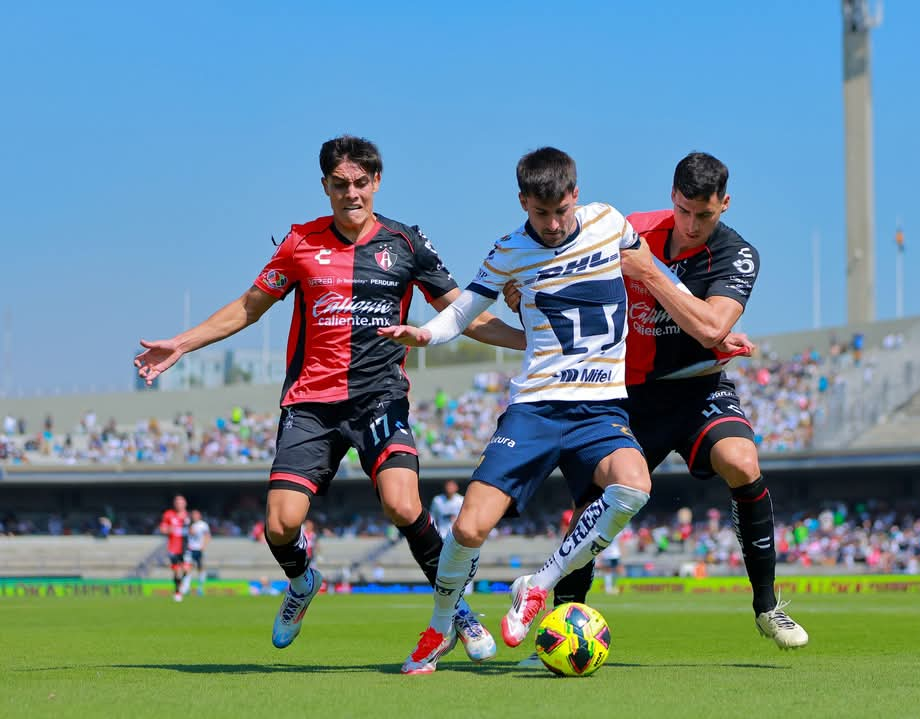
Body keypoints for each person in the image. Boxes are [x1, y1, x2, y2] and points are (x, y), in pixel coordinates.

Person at [134, 135, 524, 655]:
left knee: (402, 504)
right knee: (280, 523)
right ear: (324, 187)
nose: (352, 194)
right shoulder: (300, 242)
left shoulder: (406, 244)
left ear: (376, 182)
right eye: (340, 184)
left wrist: (533, 342)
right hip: (311, 404)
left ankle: (453, 608)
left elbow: (461, 313)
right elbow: (248, 307)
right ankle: (301, 583)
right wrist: (181, 344)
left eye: (361, 183)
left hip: (379, 398)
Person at [508, 152, 807, 659]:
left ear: (725, 205)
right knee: (596, 500)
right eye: (685, 211)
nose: (692, 226)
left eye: (706, 216)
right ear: (673, 197)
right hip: (626, 396)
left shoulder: (737, 254)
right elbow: (558, 263)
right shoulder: (631, 228)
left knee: (742, 461)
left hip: (698, 388)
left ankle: (766, 605)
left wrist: (650, 272)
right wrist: (525, 291)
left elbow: (712, 327)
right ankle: (562, 614)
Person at [380, 147, 655, 674]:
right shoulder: (508, 251)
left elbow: (656, 269)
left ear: (575, 194)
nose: (552, 224)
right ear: (523, 201)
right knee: (467, 529)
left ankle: (539, 584)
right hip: (534, 407)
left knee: (635, 485)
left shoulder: (609, 222)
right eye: (540, 213)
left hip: (599, 408)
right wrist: (426, 334)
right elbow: (462, 313)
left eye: (560, 211)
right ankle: (440, 627)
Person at [158, 495, 190, 602]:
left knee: (186, 569)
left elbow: (195, 530)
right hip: (173, 547)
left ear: (185, 503)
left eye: (181, 502)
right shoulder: (168, 514)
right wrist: (168, 530)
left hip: (186, 547)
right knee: (177, 571)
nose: (179, 504)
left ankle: (183, 585)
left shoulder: (188, 516)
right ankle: (177, 592)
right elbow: (162, 529)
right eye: (177, 502)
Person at [184, 509, 211, 596]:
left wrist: (203, 546)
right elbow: (189, 533)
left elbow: (207, 536)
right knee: (187, 568)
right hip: (190, 549)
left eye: (196, 515)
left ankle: (200, 588)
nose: (194, 516)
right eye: (193, 515)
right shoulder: (188, 523)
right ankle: (186, 588)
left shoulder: (203, 525)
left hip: (198, 549)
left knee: (200, 569)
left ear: (199, 516)